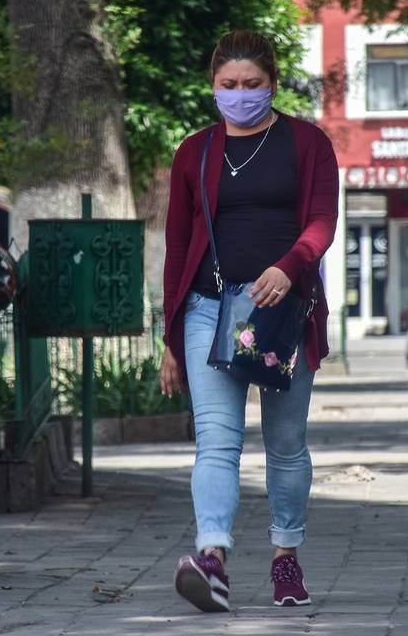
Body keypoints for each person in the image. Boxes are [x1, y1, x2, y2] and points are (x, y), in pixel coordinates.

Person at [159, 31, 339, 612]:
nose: (240, 95)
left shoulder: (307, 144)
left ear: (273, 84)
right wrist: (169, 336)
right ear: (213, 86)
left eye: (252, 85)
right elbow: (178, 246)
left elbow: (322, 221)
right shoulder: (195, 152)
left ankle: (286, 558)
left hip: (284, 314)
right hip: (209, 311)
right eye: (228, 86)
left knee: (286, 445)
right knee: (216, 440)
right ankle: (212, 558)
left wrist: (290, 267)